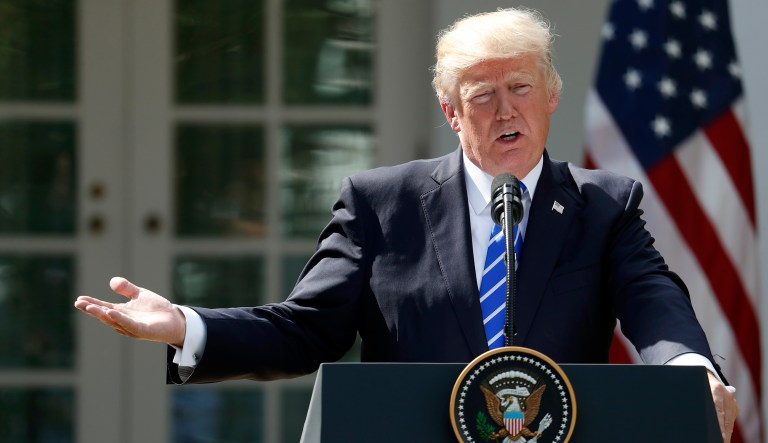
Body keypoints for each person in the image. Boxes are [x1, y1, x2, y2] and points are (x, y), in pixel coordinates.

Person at [74, 7, 739, 441]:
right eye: (483, 95)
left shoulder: (604, 204)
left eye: (522, 87)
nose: (507, 109)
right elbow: (308, 328)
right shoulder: (381, 202)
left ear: (552, 95)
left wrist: (688, 366)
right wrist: (189, 325)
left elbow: (653, 301)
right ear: (453, 113)